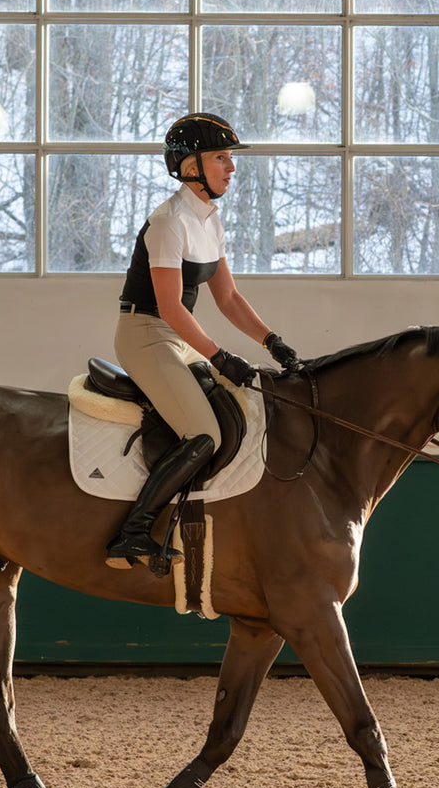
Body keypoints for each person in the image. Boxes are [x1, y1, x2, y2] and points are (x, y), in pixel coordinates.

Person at [106, 113, 302, 570]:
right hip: (145, 335)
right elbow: (172, 308)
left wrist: (272, 341)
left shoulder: (208, 219)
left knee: (245, 405)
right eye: (221, 157)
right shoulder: (168, 222)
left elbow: (228, 297)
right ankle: (132, 533)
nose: (231, 167)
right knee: (204, 433)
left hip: (177, 338)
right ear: (190, 165)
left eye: (231, 158)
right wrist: (220, 356)